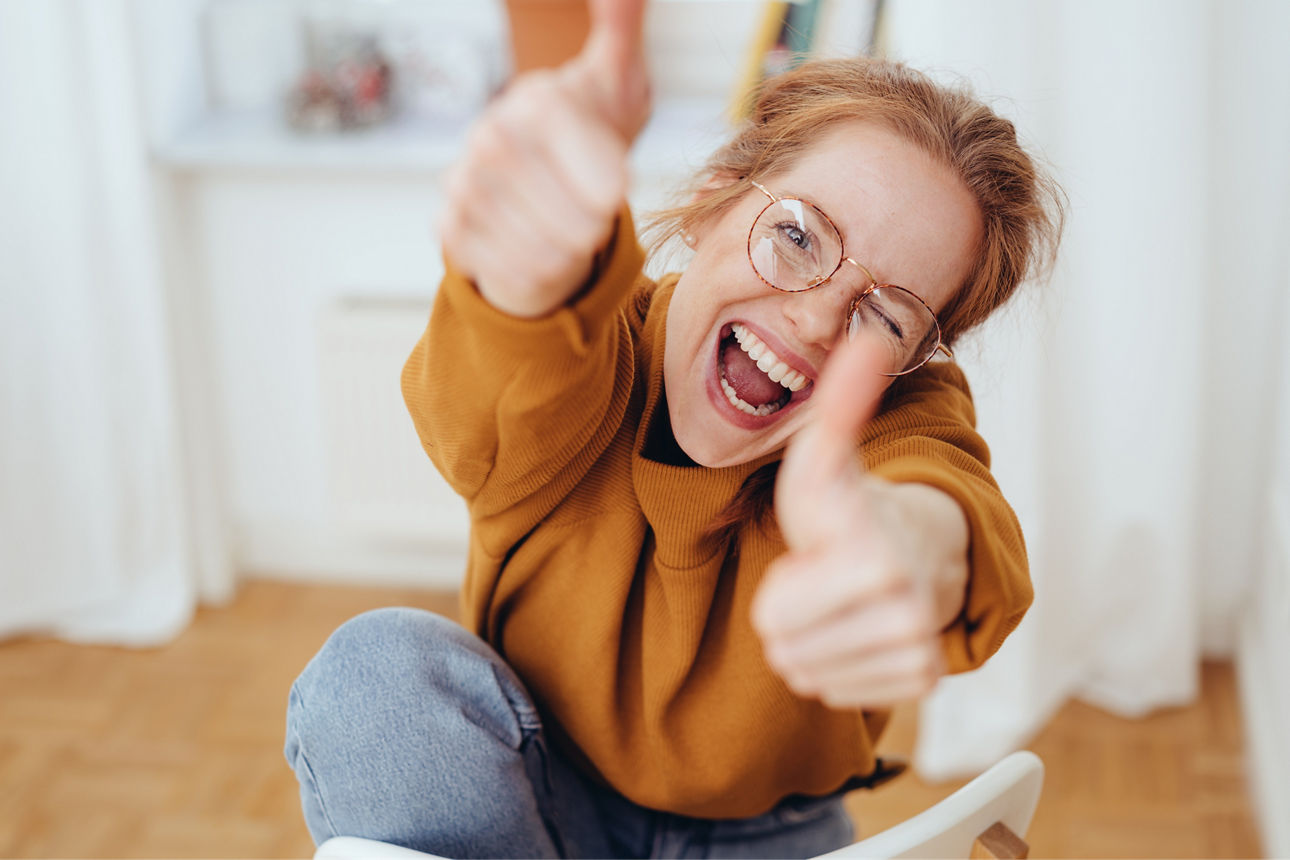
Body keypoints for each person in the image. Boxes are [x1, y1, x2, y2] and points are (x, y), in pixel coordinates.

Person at [284, 0, 1063, 857]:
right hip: (537, 793)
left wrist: (909, 544)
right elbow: (515, 364)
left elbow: (947, 503)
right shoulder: (592, 354)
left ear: (919, 357)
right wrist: (522, 280)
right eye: (798, 236)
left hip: (773, 836)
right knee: (370, 675)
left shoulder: (896, 416)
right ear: (712, 200)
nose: (814, 323)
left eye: (887, 316)